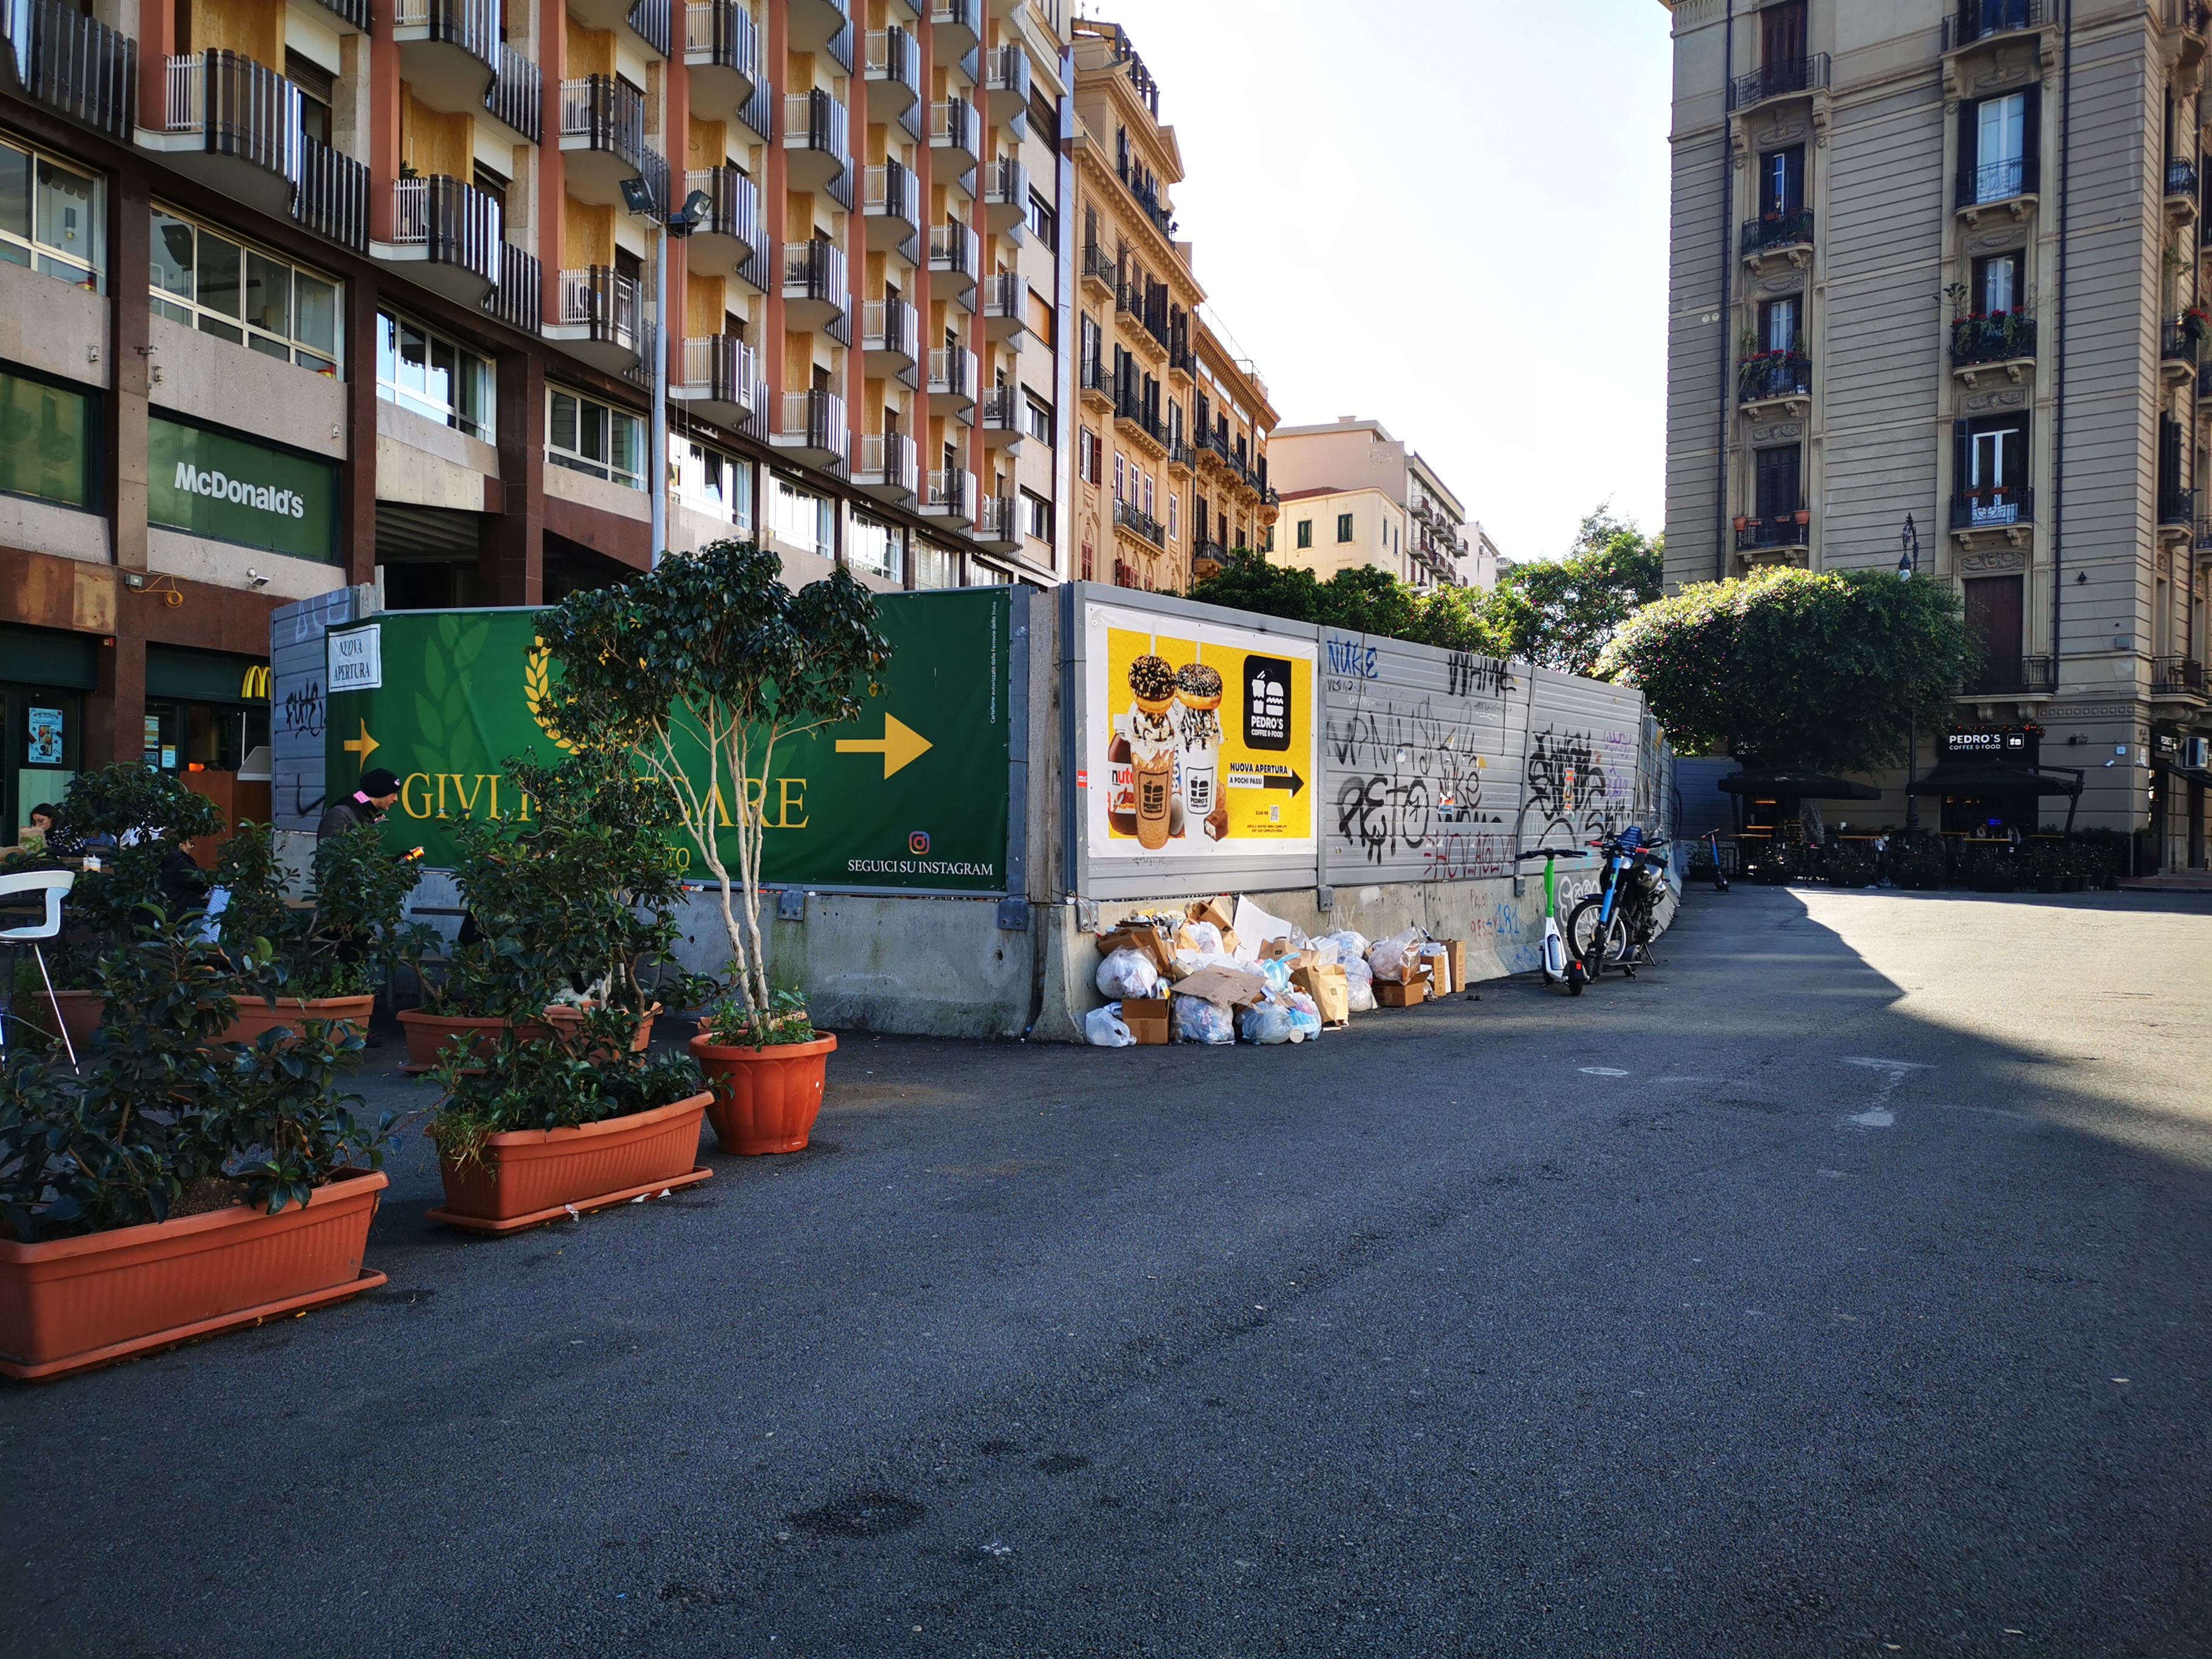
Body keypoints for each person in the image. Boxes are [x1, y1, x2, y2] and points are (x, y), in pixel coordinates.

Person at [318, 769, 400, 840]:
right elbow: (328, 854)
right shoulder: (340, 814)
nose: (396, 799)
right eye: (394, 793)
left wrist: (401, 858)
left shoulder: (368, 816)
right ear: (382, 791)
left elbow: (366, 857)